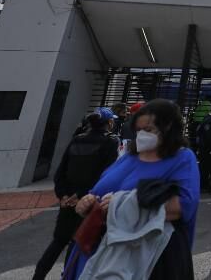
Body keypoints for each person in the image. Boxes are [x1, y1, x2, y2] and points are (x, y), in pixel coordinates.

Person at [71, 99, 200, 279]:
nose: (141, 135)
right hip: (97, 247)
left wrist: (121, 204)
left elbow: (183, 206)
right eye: (138, 130)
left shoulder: (181, 157)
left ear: (168, 127)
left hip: (141, 255)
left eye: (148, 130)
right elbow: (99, 190)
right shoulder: (128, 157)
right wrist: (88, 201)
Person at [33, 112, 119, 280]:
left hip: (68, 201)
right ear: (109, 123)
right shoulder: (111, 141)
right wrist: (81, 196)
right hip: (88, 200)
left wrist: (64, 195)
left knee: (58, 241)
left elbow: (61, 172)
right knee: (78, 244)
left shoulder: (77, 139)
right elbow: (106, 174)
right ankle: (68, 275)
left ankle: (38, 276)